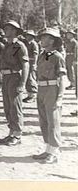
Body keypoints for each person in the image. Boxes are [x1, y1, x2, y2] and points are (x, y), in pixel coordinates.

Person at [32, 27, 66, 164]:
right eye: (41, 37)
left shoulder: (57, 57)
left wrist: (60, 98)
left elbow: (62, 79)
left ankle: (54, 152)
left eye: (45, 37)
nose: (41, 40)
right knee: (44, 120)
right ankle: (48, 149)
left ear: (52, 40)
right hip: (41, 89)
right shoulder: (41, 55)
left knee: (53, 122)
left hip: (52, 89)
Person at [0, 20, 29, 146]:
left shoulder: (19, 46)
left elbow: (25, 65)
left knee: (15, 107)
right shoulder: (6, 46)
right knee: (8, 107)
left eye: (9, 29)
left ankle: (17, 135)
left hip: (15, 77)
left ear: (15, 31)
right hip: (6, 78)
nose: (6, 31)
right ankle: (11, 132)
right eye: (5, 28)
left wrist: (22, 84)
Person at [22, 30, 39, 103]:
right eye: (27, 35)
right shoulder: (25, 43)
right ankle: (29, 95)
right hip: (26, 62)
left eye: (30, 35)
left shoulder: (34, 44)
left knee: (31, 78)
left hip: (31, 62)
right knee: (27, 78)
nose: (28, 37)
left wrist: (34, 64)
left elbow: (35, 55)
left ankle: (33, 95)